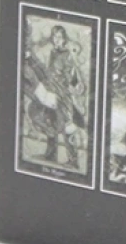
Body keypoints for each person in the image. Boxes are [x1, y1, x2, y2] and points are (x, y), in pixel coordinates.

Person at [23, 24, 86, 168]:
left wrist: (71, 87)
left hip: (62, 96)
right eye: (54, 37)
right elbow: (48, 72)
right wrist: (31, 59)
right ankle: (51, 154)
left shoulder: (67, 55)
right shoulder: (53, 53)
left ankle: (73, 161)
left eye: (59, 37)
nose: (56, 39)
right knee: (50, 121)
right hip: (52, 91)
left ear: (64, 39)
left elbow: (72, 78)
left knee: (67, 127)